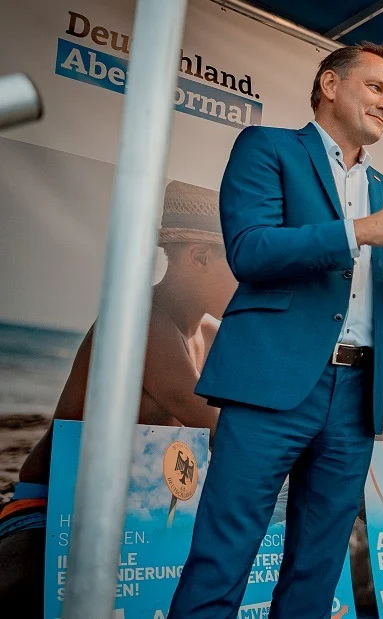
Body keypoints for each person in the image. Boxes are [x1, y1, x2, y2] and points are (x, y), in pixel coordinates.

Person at [169, 42, 383, 617]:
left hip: (354, 401)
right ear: (329, 84)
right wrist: (357, 232)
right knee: (222, 558)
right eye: (376, 88)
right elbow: (249, 251)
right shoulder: (267, 148)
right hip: (269, 385)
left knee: (315, 572)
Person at [0, 181, 236, 615]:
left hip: (136, 513)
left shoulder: (209, 333)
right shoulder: (139, 320)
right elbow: (222, 427)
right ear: (199, 257)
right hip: (55, 507)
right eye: (242, 262)